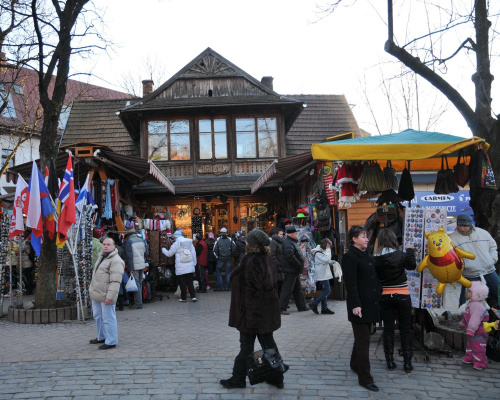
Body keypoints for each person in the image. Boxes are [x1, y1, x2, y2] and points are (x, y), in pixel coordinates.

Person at [220, 229, 283, 389]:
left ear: (252, 243)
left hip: (252, 314)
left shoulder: (253, 261)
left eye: (248, 239)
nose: (245, 241)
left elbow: (255, 291)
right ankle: (277, 377)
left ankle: (238, 379)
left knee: (246, 348)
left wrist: (251, 318)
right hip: (263, 313)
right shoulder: (265, 258)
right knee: (269, 346)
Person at [341, 225, 381, 392]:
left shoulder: (366, 254)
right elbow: (350, 284)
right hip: (359, 304)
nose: (367, 238)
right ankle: (365, 378)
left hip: (370, 303)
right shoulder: (349, 256)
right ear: (354, 239)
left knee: (362, 338)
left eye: (367, 236)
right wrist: (356, 304)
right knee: (364, 340)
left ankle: (354, 364)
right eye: (363, 236)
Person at [373, 228, 416, 372]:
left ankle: (390, 362)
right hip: (403, 294)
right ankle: (407, 363)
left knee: (388, 329)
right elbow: (412, 266)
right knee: (405, 329)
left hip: (385, 296)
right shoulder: (400, 255)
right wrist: (410, 251)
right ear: (393, 239)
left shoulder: (375, 258)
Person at [449, 213, 499, 307]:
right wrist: (463, 266)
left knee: (498, 293)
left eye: (465, 226)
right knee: (465, 303)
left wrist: (492, 259)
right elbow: (452, 257)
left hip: (489, 270)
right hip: (470, 274)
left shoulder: (482, 233)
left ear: (470, 224)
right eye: (460, 225)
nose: (462, 228)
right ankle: (465, 320)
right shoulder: (451, 239)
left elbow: (492, 246)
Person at [88, 236, 125, 350]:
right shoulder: (102, 256)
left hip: (106, 294)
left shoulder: (116, 261)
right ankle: (102, 336)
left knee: (108, 318)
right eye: (104, 244)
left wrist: (110, 296)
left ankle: (111, 340)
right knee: (98, 316)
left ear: (114, 246)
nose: (106, 246)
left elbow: (115, 281)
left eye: (109, 244)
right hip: (97, 293)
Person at [459, 281, 491, 370]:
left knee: (478, 347)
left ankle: (481, 362)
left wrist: (471, 329)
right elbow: (467, 316)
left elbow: (475, 319)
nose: (466, 292)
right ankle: (470, 357)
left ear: (476, 294)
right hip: (473, 332)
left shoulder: (477, 306)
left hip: (479, 332)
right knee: (470, 345)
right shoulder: (471, 303)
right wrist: (462, 323)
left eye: (469, 291)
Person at [279, 225, 309, 315]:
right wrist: (299, 264)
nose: (297, 235)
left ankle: (302, 306)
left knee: (297, 289)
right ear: (292, 234)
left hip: (293, 270)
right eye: (296, 233)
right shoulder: (288, 243)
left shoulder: (291, 242)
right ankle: (281, 308)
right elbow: (290, 256)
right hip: (290, 270)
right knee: (287, 289)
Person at [162, 231, 197, 302]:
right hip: (189, 265)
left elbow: (169, 254)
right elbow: (193, 253)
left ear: (176, 237)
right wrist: (194, 263)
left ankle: (183, 298)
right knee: (190, 281)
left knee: (182, 282)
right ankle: (193, 296)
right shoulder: (189, 243)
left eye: (174, 237)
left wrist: (163, 250)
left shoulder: (176, 244)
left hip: (180, 266)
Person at [309, 238, 335, 315]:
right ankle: (314, 303)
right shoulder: (318, 253)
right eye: (329, 246)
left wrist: (331, 262)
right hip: (322, 274)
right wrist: (328, 250)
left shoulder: (320, 252)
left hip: (323, 274)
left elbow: (324, 260)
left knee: (325, 291)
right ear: (326, 245)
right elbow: (326, 259)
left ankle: (324, 308)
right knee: (327, 290)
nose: (329, 247)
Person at [124, 228, 147, 309]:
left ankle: (139, 303)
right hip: (141, 265)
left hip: (135, 266)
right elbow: (146, 252)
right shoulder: (141, 240)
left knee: (136, 285)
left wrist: (130, 269)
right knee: (139, 283)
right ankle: (139, 301)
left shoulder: (129, 242)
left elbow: (129, 257)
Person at [269, 226, 284, 298]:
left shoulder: (281, 242)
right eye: (280, 234)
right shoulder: (273, 243)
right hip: (277, 268)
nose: (282, 236)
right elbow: (272, 255)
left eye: (282, 234)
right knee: (277, 285)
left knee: (281, 285)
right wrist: (278, 264)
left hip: (281, 267)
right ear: (276, 234)